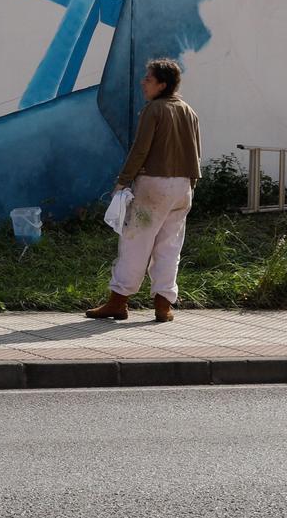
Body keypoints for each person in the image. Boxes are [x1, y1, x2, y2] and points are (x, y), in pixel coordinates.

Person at [86, 58, 201, 323]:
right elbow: (196, 150)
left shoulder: (154, 110)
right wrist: (191, 183)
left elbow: (141, 148)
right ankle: (163, 305)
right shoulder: (187, 110)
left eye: (148, 79)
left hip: (153, 186)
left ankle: (118, 302)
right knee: (169, 246)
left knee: (135, 242)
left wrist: (123, 180)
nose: (143, 82)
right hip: (183, 186)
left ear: (162, 84)